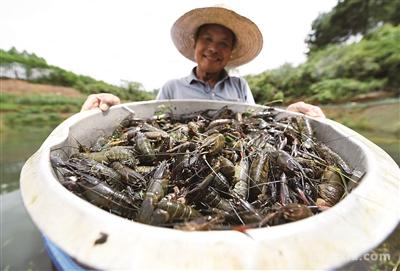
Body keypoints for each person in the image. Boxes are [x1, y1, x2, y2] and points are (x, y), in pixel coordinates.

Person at [81, 6, 325, 118]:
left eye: (223, 44)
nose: (213, 49)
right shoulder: (171, 87)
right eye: (207, 39)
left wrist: (288, 116)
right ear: (195, 44)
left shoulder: (239, 87)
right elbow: (148, 125)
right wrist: (111, 110)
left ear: (230, 53)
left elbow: (257, 122)